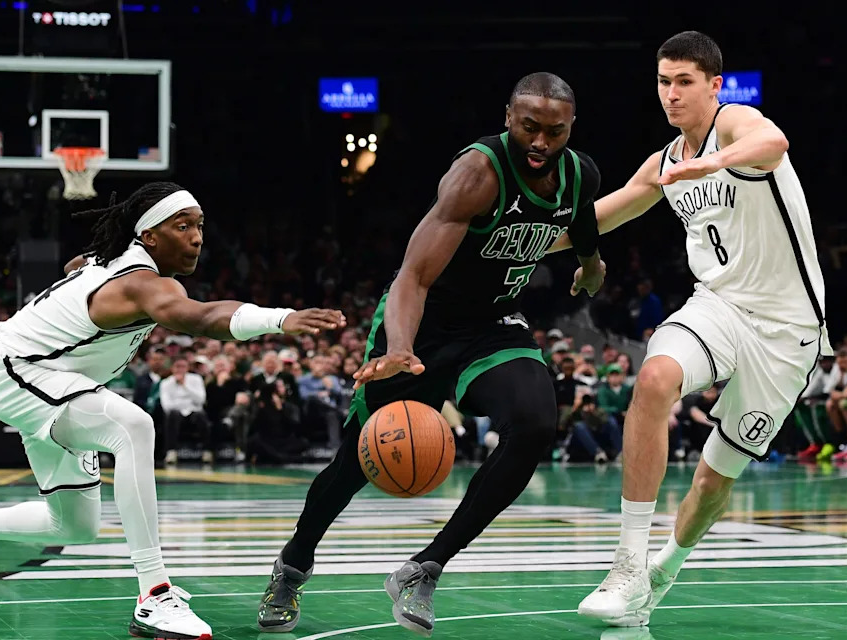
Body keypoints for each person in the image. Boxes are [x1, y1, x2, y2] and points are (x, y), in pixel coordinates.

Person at [256, 72, 606, 635]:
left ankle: (426, 567)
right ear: (508, 118)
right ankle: (292, 566)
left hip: (492, 326)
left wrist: (591, 263)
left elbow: (581, 211)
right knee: (353, 467)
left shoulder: (579, 172)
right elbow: (413, 278)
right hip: (424, 327)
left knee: (537, 424)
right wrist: (398, 349)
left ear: (571, 129)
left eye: (554, 132)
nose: (540, 142)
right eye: (529, 128)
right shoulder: (478, 174)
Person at [0, 182, 344, 640]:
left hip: (55, 379)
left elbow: (76, 267)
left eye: (199, 225)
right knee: (132, 425)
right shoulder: (141, 282)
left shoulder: (119, 266)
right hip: (17, 373)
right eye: (182, 226)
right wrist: (279, 318)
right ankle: (154, 595)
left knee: (74, 525)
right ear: (149, 237)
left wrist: (82, 275)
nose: (197, 236)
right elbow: (202, 318)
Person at [554, 31, 832, 626]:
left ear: (713, 85)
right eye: (663, 81)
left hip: (788, 332)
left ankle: (663, 570)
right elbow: (609, 210)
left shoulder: (734, 126)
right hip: (719, 307)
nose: (672, 94)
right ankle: (627, 564)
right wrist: (524, 245)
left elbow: (773, 139)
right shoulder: (665, 162)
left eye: (684, 81)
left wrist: (716, 160)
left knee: (711, 481)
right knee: (654, 377)